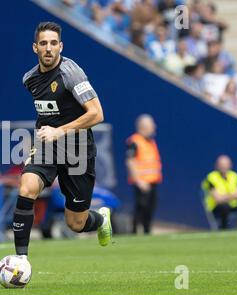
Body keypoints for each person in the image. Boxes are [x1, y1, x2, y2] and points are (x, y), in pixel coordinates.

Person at [16, 21, 112, 258]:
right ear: (34, 48)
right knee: (27, 188)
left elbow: (97, 114)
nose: (48, 48)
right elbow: (47, 111)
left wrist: (60, 131)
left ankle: (100, 219)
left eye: (53, 43)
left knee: (75, 223)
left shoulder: (71, 74)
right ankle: (20, 261)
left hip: (77, 150)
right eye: (43, 44)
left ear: (61, 46)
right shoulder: (29, 79)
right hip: (47, 145)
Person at [126, 114, 162, 234]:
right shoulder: (135, 141)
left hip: (153, 181)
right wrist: (139, 181)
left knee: (150, 209)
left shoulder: (151, 141)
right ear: (144, 126)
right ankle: (134, 231)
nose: (154, 127)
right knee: (141, 208)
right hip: (142, 182)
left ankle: (147, 231)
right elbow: (130, 161)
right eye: (152, 125)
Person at [201, 155, 237, 229]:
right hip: (217, 207)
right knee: (224, 207)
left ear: (230, 165)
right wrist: (233, 195)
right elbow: (217, 198)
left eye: (226, 164)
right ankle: (224, 228)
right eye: (221, 165)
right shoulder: (211, 177)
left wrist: (225, 196)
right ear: (217, 166)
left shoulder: (234, 176)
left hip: (234, 204)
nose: (224, 167)